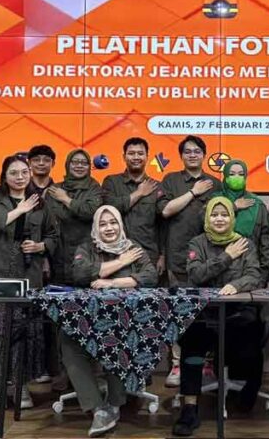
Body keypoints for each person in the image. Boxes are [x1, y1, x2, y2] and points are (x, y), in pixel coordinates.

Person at [0, 155, 58, 410]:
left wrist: (41, 245)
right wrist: (19, 210)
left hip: (28, 276)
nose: (20, 177)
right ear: (4, 176)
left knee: (26, 333)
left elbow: (54, 235)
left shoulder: (42, 204)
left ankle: (22, 387)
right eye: (14, 173)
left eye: (24, 172)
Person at [172, 197, 263, 437]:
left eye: (224, 214)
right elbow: (196, 275)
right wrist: (227, 257)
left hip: (237, 313)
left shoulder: (245, 243)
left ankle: (249, 392)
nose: (220, 218)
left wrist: (237, 285)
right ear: (207, 218)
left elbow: (255, 275)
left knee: (253, 335)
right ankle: (189, 409)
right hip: (204, 313)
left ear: (232, 217)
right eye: (215, 214)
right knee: (191, 344)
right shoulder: (197, 243)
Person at [64, 205, 157, 437]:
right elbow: (79, 273)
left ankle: (115, 403)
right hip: (89, 317)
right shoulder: (87, 248)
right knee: (68, 340)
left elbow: (150, 276)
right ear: (96, 227)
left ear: (120, 224)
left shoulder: (134, 247)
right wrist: (119, 262)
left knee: (115, 336)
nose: (109, 228)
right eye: (103, 224)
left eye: (113, 222)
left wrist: (114, 282)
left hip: (128, 318)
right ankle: (97, 408)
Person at [157, 135, 221, 387]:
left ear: (204, 155)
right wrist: (194, 192)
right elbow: (165, 210)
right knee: (179, 313)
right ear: (181, 155)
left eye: (197, 151)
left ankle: (206, 365)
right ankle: (176, 364)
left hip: (211, 261)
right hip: (178, 258)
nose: (192, 155)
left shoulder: (215, 183)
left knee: (208, 315)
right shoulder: (171, 180)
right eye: (187, 151)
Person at [45, 149, 103, 285]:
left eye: (84, 163)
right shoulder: (55, 189)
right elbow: (48, 221)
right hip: (58, 253)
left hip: (85, 252)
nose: (79, 166)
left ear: (89, 167)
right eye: (75, 162)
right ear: (67, 165)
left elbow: (90, 211)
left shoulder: (94, 188)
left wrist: (65, 199)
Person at [102, 137, 163, 268]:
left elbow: (163, 225)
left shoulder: (157, 186)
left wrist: (162, 256)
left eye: (140, 153)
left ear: (147, 157)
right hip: (115, 254)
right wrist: (139, 193)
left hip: (148, 254)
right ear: (124, 157)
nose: (136, 157)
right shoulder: (111, 182)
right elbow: (110, 208)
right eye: (131, 153)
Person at [213, 159, 269, 285]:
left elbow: (266, 241)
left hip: (249, 271)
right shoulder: (214, 200)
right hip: (217, 271)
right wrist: (232, 207)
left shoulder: (256, 204)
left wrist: (263, 274)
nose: (237, 177)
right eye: (232, 174)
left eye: (241, 174)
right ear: (225, 177)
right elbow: (203, 226)